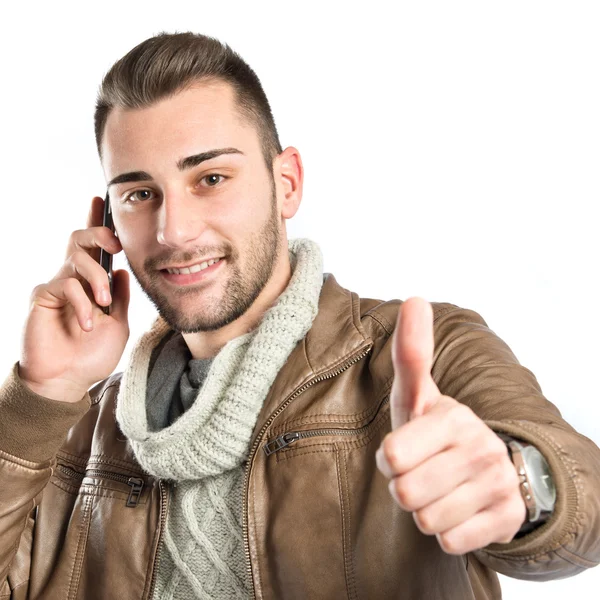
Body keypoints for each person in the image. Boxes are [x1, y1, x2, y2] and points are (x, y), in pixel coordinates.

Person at [0, 31, 598, 600]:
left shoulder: (421, 352)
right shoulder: (73, 424)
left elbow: (585, 498)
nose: (173, 231)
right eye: (138, 193)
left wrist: (525, 486)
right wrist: (40, 393)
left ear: (286, 184)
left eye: (210, 178)